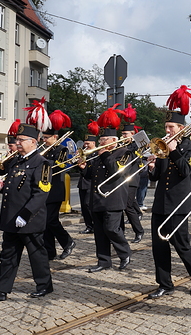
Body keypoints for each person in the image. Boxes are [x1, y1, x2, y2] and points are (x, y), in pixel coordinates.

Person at [0, 123, 53, 301]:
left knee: (37, 255)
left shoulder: (42, 164)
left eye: (21, 140)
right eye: (17, 140)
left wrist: (26, 215)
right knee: (8, 256)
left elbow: (40, 194)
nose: (17, 143)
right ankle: (0, 290)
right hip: (12, 218)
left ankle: (44, 286)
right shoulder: (16, 161)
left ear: (33, 142)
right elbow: (13, 188)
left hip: (29, 219)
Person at [147, 110, 191, 299]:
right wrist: (152, 167)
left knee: (181, 244)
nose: (168, 130)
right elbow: (156, 177)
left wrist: (173, 150)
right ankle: (165, 284)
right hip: (161, 202)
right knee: (158, 246)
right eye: (166, 127)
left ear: (182, 128)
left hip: (179, 203)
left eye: (171, 127)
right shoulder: (162, 147)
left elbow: (187, 171)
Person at [81, 114, 131, 273]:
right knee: (100, 232)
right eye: (100, 140)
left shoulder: (124, 152)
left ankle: (125, 253)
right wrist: (83, 168)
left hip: (113, 198)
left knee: (111, 229)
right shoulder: (97, 155)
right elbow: (91, 175)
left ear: (113, 140)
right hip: (97, 198)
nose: (100, 143)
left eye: (104, 140)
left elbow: (116, 172)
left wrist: (105, 154)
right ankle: (104, 261)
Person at [42, 125, 76, 261]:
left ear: (55, 137)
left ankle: (68, 242)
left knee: (51, 220)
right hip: (45, 190)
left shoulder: (62, 149)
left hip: (55, 190)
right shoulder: (45, 151)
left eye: (46, 138)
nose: (44, 140)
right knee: (45, 223)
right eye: (43, 137)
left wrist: (42, 160)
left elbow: (59, 166)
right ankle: (50, 252)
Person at [120, 120, 145, 244]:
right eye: (123, 134)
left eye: (126, 134)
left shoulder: (137, 145)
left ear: (132, 134)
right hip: (120, 180)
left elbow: (138, 159)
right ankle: (120, 233)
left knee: (128, 206)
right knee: (119, 206)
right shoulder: (121, 145)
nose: (123, 136)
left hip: (132, 179)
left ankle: (139, 231)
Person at [77, 135, 97, 234]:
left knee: (88, 205)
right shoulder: (83, 152)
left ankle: (95, 225)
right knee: (84, 207)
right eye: (85, 143)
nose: (85, 145)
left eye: (88, 143)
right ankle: (89, 226)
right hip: (82, 183)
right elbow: (79, 170)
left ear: (93, 143)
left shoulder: (97, 154)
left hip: (91, 183)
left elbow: (93, 169)